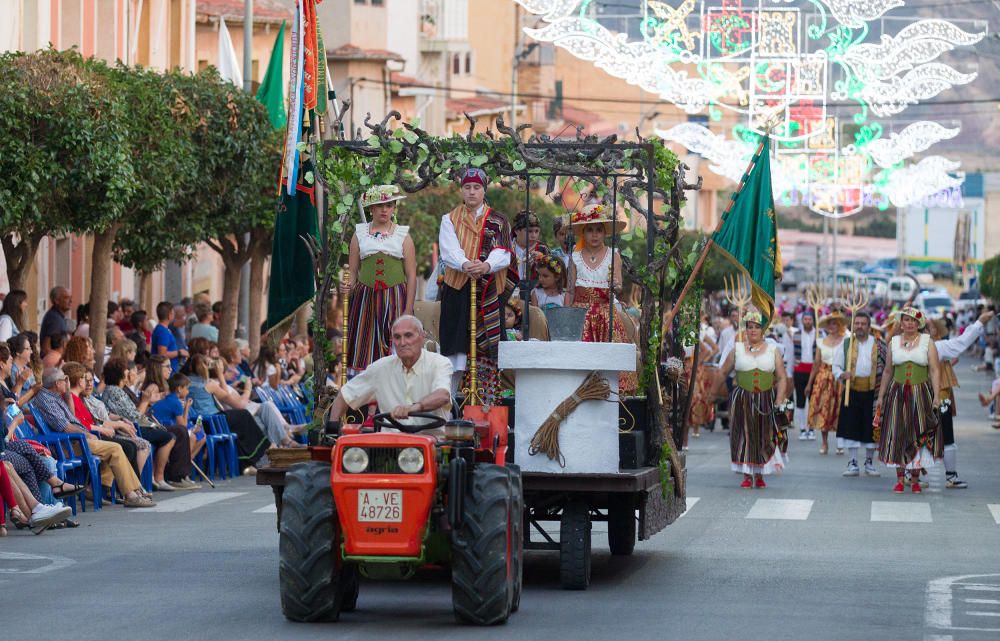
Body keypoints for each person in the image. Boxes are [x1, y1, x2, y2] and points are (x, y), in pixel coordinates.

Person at [437, 167, 515, 394]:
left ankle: (485, 407)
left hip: (488, 291)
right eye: (467, 187)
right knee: (454, 353)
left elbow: (505, 252)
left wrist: (486, 266)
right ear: (461, 190)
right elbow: (448, 250)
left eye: (477, 187)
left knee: (486, 354)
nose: (472, 192)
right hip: (457, 289)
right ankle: (449, 404)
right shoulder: (449, 219)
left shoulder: (499, 221)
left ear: (484, 190)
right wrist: (466, 265)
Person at [32, 367, 154, 507]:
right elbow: (66, 427)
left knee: (114, 448)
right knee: (115, 449)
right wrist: (87, 434)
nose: (67, 382)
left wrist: (67, 394)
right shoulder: (46, 399)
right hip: (68, 444)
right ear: (57, 383)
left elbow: (71, 417)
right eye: (64, 380)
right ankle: (131, 495)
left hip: (75, 440)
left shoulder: (54, 396)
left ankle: (131, 491)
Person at [327, 315, 452, 429]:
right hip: (390, 447)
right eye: (397, 337)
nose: (402, 343)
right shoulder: (381, 368)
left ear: (422, 337)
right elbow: (345, 395)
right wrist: (332, 428)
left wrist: (414, 408)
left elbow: (443, 395)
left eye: (408, 335)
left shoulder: (439, 363)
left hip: (432, 445)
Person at [344, 184, 417, 373]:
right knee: (366, 348)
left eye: (389, 205)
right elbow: (353, 271)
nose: (384, 210)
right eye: (379, 205)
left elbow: (411, 275)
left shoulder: (402, 235)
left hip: (395, 298)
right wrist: (348, 286)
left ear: (393, 208)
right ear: (371, 209)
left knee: (396, 347)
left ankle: (396, 398)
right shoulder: (359, 234)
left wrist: (408, 309)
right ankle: (369, 400)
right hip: (365, 298)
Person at [714, 308, 789, 488]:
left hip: (766, 399)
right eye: (749, 327)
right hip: (742, 399)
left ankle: (761, 474)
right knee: (744, 435)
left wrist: (779, 400)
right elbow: (722, 371)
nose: (753, 330)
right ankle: (747, 475)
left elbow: (782, 377)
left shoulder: (773, 350)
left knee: (765, 436)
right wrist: (713, 395)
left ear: (763, 329)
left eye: (756, 327)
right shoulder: (737, 349)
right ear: (745, 329)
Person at [567, 203, 636, 393]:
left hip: (606, 315)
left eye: (599, 230)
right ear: (583, 232)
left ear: (605, 232)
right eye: (590, 230)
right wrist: (568, 317)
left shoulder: (614, 255)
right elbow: (570, 291)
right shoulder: (575, 256)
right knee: (581, 361)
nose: (595, 234)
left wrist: (615, 285)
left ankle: (609, 394)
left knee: (609, 361)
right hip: (580, 315)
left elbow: (619, 285)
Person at [874, 307, 943, 494]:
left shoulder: (928, 342)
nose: (909, 323)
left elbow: (935, 370)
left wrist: (937, 395)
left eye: (913, 320)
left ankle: (914, 480)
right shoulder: (894, 342)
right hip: (897, 394)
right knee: (898, 434)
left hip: (921, 393)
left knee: (918, 433)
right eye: (906, 320)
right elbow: (888, 371)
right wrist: (881, 396)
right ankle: (899, 479)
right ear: (901, 323)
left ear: (918, 323)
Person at [928, 310, 993, 488]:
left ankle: (950, 475)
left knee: (947, 435)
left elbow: (961, 343)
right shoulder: (904, 344)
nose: (927, 330)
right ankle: (912, 476)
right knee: (914, 436)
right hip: (916, 398)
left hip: (939, 397)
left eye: (930, 327)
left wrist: (979, 322)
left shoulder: (938, 347)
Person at [100, 358, 177, 492]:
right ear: (121, 374)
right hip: (129, 428)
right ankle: (143, 482)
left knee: (169, 434)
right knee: (168, 436)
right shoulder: (114, 391)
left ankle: (145, 481)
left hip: (131, 426)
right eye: (128, 371)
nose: (130, 373)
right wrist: (145, 401)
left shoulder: (119, 390)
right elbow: (134, 417)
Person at [186, 354, 268, 473]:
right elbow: (226, 395)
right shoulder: (209, 384)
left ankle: (245, 463)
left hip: (198, 422)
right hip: (213, 421)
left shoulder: (186, 381)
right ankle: (253, 458)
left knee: (240, 424)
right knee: (244, 415)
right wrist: (220, 375)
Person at [832, 311, 887, 477]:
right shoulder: (846, 344)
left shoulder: (879, 345)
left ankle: (869, 462)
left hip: (873, 391)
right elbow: (835, 366)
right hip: (852, 390)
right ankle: (853, 462)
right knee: (851, 426)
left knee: (871, 427)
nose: (860, 327)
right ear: (853, 326)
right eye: (857, 324)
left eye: (863, 324)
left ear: (869, 327)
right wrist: (842, 374)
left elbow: (887, 369)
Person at [805, 311, 846, 454]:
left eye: (834, 323)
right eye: (829, 323)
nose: (832, 326)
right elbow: (816, 364)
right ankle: (824, 442)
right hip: (823, 378)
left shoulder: (846, 340)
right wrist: (809, 384)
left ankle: (840, 442)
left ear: (839, 325)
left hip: (839, 378)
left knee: (839, 409)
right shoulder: (820, 342)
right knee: (823, 408)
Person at [151, 372, 206, 479]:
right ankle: (180, 472)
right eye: (187, 388)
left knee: (201, 437)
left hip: (166, 427)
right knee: (192, 437)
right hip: (161, 428)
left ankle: (185, 465)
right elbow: (183, 427)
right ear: (179, 389)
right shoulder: (175, 402)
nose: (188, 391)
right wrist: (186, 408)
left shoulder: (172, 399)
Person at [687, 315, 719, 440]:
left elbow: (712, 349)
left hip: (695, 370)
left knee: (696, 398)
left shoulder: (698, 333)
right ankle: (687, 425)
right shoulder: (682, 333)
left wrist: (699, 361)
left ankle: (696, 426)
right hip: (685, 368)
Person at [793, 310, 817, 441]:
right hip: (799, 369)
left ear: (813, 320)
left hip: (814, 370)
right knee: (801, 400)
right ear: (802, 321)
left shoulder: (819, 334)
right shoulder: (796, 334)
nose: (807, 321)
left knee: (813, 401)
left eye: (810, 319)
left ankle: (812, 428)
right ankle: (802, 428)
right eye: (805, 319)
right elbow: (792, 354)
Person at [512, 210, 549, 283]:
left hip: (535, 292)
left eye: (536, 231)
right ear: (516, 231)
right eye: (529, 231)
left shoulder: (542, 249)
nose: (534, 236)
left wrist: (543, 260)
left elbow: (553, 274)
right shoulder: (507, 247)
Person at [151, 301, 187, 373]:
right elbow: (162, 354)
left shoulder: (163, 329)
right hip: (166, 372)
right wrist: (180, 352)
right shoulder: (162, 331)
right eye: (173, 313)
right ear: (169, 315)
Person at [40, 286, 71, 356]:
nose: (70, 301)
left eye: (70, 298)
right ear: (56, 300)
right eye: (66, 298)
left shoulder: (59, 316)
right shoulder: (54, 318)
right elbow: (46, 348)